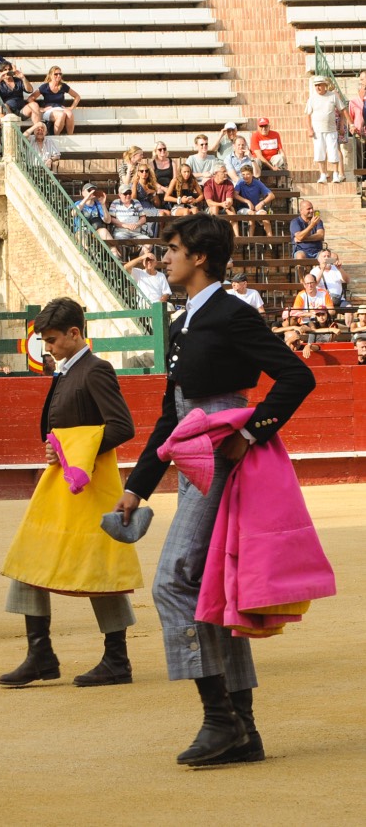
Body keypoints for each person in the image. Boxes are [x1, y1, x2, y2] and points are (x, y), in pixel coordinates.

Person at [115, 212, 316, 767]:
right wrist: (138, 488)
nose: (164, 257)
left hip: (222, 454)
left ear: (199, 257)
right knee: (208, 589)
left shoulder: (232, 313)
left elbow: (298, 376)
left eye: (172, 248)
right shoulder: (184, 322)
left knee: (174, 579)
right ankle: (243, 729)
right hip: (192, 453)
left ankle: (220, 719)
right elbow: (169, 413)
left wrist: (250, 432)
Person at [0, 296, 139, 687]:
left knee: (99, 570)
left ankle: (117, 660)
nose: (48, 346)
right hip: (62, 484)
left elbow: (122, 427)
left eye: (53, 339)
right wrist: (58, 447)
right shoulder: (65, 371)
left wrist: (71, 447)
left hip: (91, 486)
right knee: (30, 557)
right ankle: (40, 653)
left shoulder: (96, 369)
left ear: (75, 333)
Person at [305, 75, 346, 184]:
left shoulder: (333, 96)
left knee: (333, 152)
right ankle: (323, 175)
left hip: (331, 130)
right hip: (318, 131)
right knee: (319, 152)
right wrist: (309, 129)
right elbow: (308, 115)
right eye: (316, 85)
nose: (318, 87)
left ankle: (336, 174)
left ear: (325, 85)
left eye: (319, 85)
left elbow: (342, 111)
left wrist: (342, 125)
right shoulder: (312, 98)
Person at [27, 65, 80, 136]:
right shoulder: (45, 87)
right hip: (49, 110)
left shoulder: (63, 86)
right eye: (56, 74)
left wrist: (71, 107)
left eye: (60, 74)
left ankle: (70, 136)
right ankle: (55, 137)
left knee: (70, 113)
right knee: (61, 114)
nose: (58, 76)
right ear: (51, 75)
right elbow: (30, 98)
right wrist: (40, 109)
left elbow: (77, 96)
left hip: (60, 108)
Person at [232, 164, 275, 238]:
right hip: (243, 208)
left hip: (257, 207)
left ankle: (270, 239)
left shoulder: (257, 183)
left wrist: (262, 203)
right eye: (243, 174)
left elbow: (271, 195)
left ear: (252, 174)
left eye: (248, 174)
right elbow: (235, 195)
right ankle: (250, 239)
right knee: (251, 214)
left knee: (264, 215)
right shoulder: (240, 182)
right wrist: (247, 201)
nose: (245, 176)